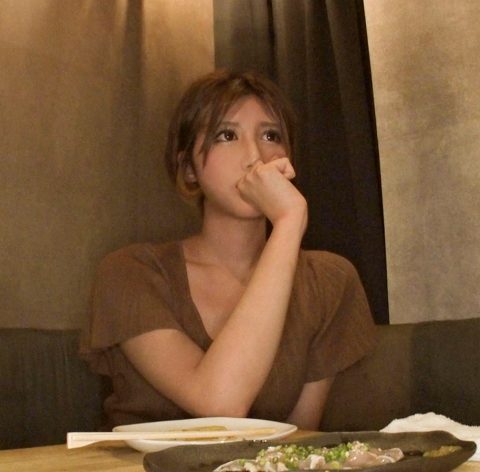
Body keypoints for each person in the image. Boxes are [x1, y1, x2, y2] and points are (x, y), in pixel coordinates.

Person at [81, 69, 376, 431]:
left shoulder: (328, 280)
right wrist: (289, 222)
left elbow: (299, 438)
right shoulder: (131, 271)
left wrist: (286, 227)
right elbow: (219, 402)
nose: (255, 157)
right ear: (188, 168)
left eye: (271, 136)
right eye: (226, 135)